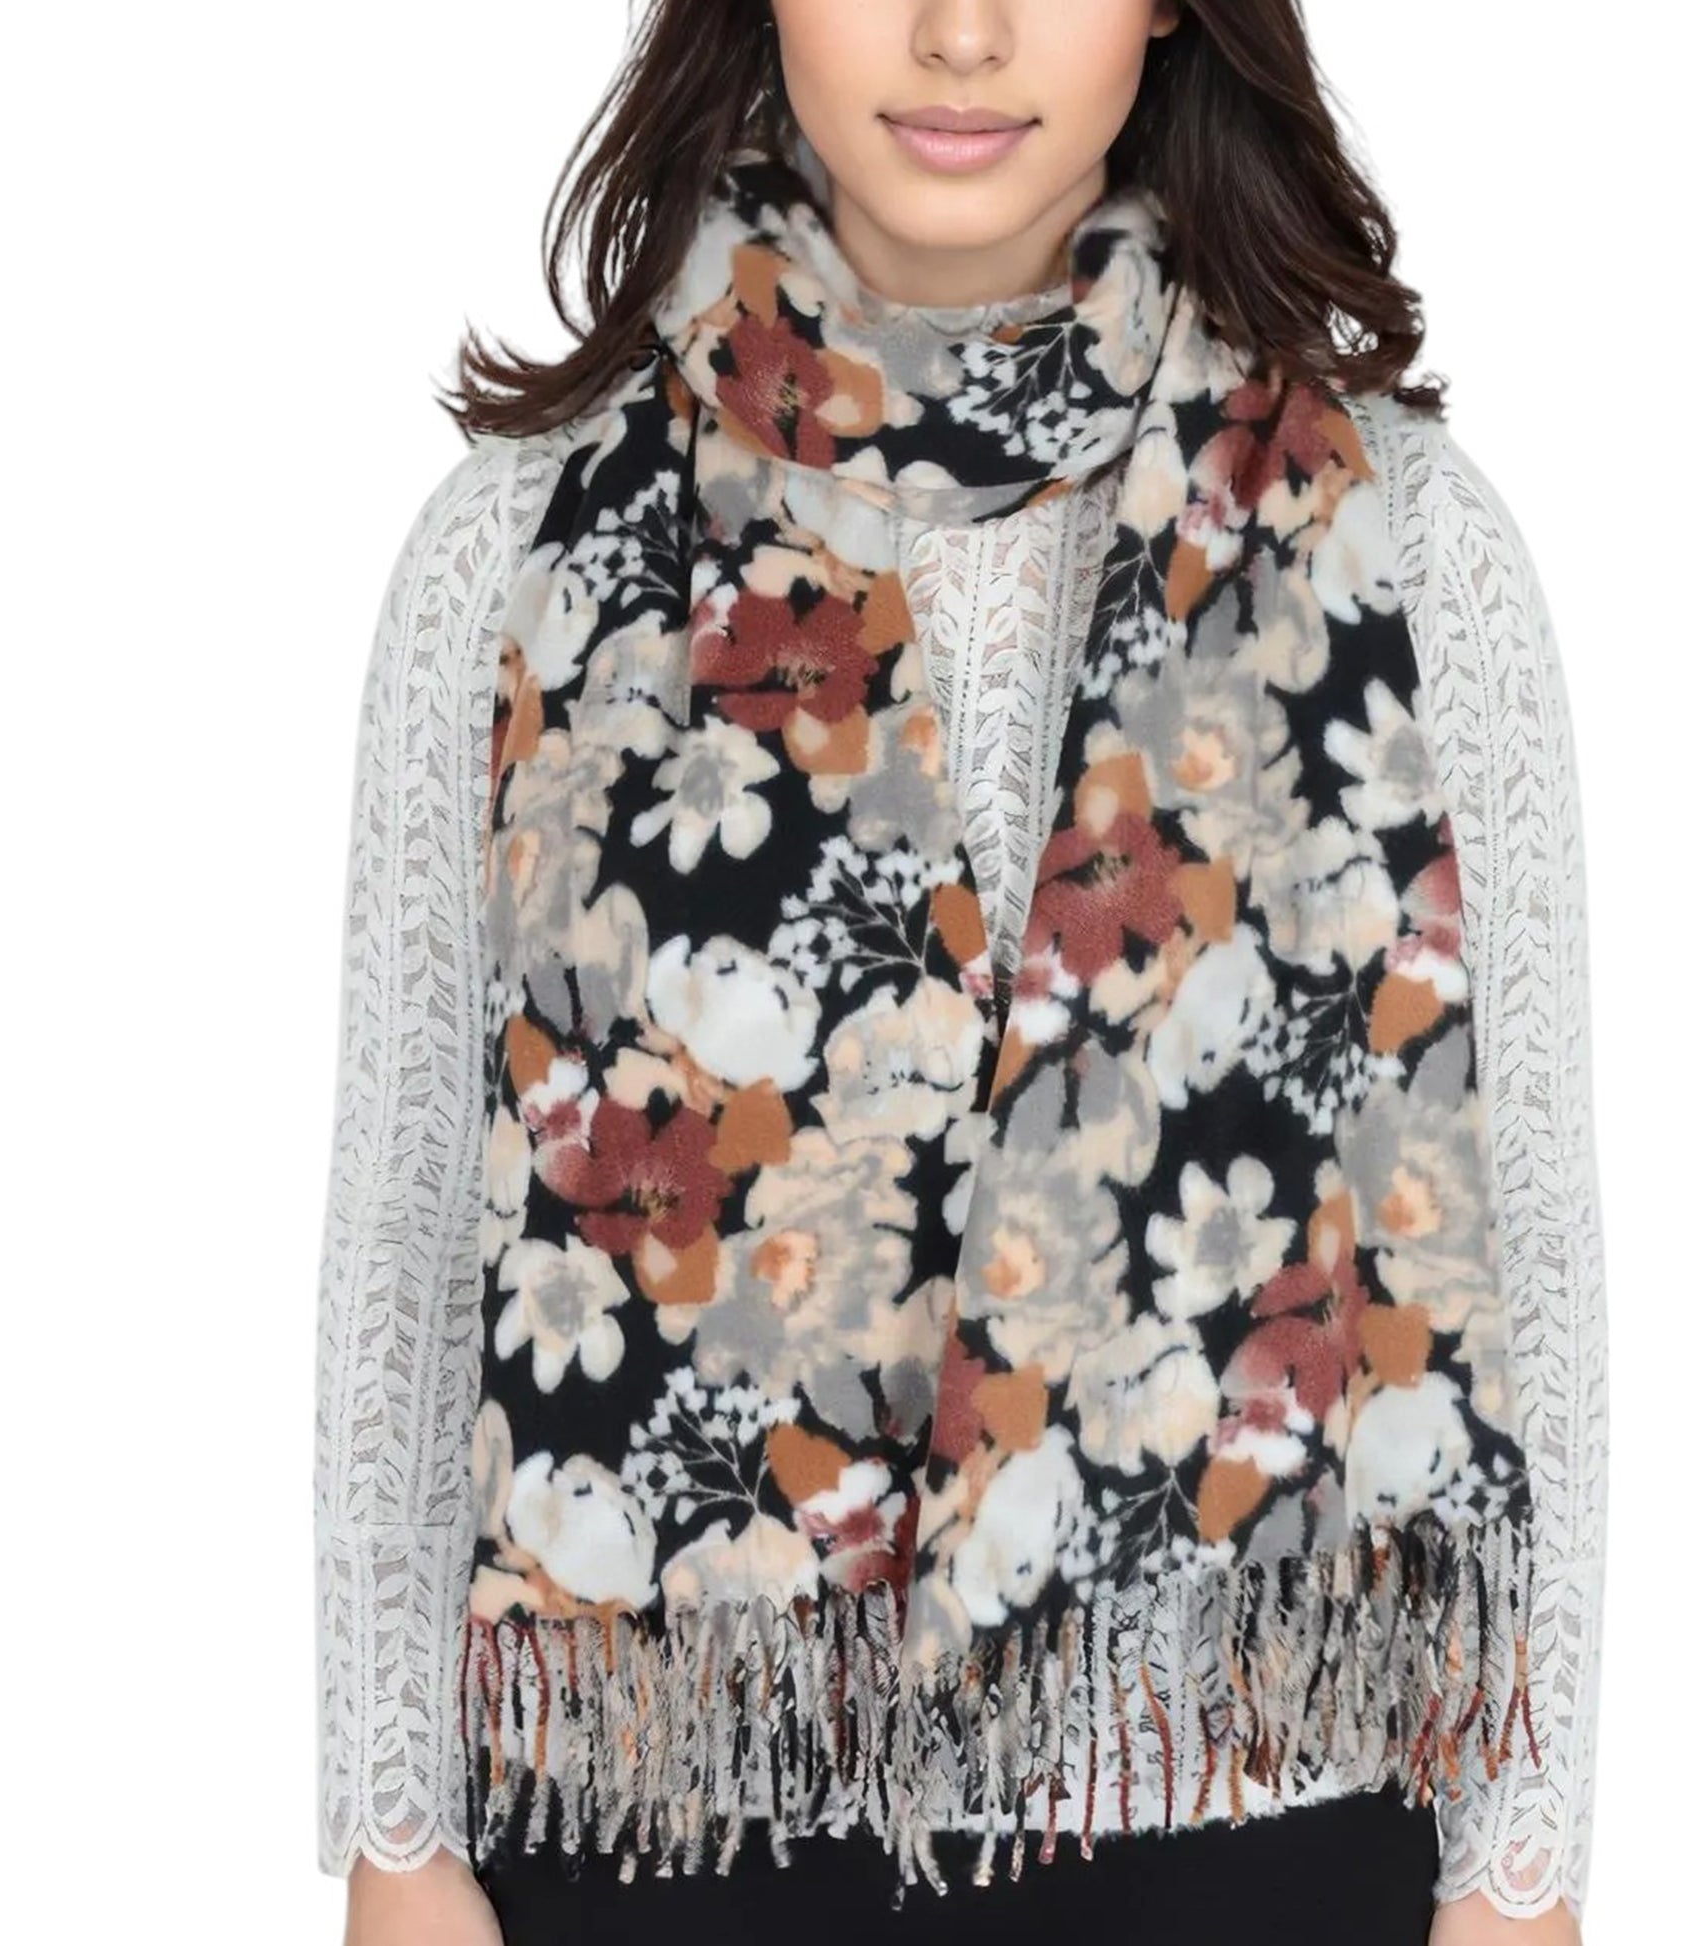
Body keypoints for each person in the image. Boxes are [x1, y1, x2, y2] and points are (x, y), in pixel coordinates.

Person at [313, 5, 1606, 1943]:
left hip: (1253, 1822)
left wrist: (1522, 1870)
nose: (960, 33)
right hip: (667, 1827)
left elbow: (1532, 1252)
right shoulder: (520, 542)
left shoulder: (1408, 544)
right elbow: (412, 1233)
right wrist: (400, 1839)